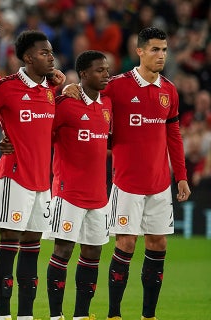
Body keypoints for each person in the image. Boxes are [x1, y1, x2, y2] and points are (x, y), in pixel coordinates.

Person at [101, 27, 189, 320]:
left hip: (160, 184)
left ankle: (148, 315)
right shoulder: (116, 86)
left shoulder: (169, 91)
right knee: (125, 243)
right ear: (139, 51)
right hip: (126, 184)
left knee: (158, 243)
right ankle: (114, 314)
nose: (161, 55)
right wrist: (71, 89)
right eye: (154, 49)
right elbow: (91, 105)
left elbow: (173, 135)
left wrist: (181, 176)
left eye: (164, 50)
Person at [0, 30, 58, 320]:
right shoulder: (6, 87)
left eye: (51, 52)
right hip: (13, 177)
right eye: (44, 53)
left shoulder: (52, 90)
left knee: (32, 249)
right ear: (28, 57)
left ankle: (26, 315)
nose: (51, 57)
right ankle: (5, 315)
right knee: (9, 244)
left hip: (43, 182)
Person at [44, 50, 111, 320]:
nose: (106, 74)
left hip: (98, 195)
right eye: (99, 70)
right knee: (63, 249)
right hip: (68, 193)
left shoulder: (107, 105)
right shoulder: (65, 104)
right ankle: (55, 315)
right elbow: (40, 134)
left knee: (93, 252)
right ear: (83, 74)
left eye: (107, 69)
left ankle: (81, 315)